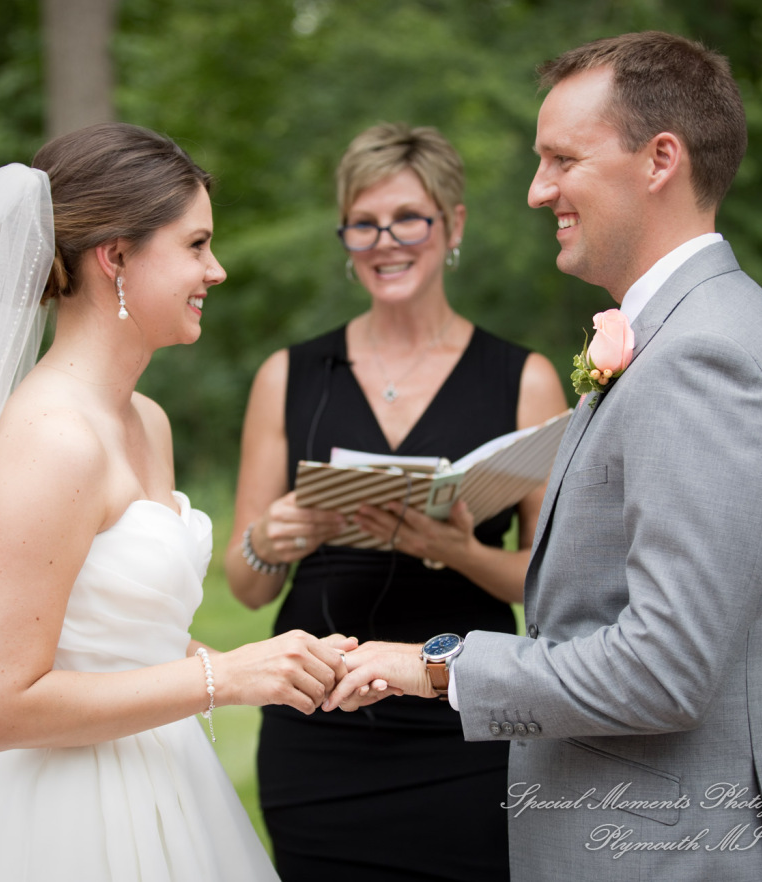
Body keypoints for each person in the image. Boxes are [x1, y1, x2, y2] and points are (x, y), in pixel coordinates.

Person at [327, 32, 762, 882]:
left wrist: (433, 666)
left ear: (660, 159)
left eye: (562, 159)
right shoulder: (688, 332)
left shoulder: (708, 359)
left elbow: (663, 669)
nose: (536, 191)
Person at [0, 122, 354, 882]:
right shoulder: (54, 440)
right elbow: (0, 707)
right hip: (65, 819)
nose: (215, 271)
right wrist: (226, 679)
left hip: (168, 781)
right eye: (195, 245)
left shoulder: (145, 421)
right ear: (115, 256)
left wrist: (275, 667)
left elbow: (123, 644)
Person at [224, 122, 566, 881]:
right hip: (316, 734)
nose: (385, 241)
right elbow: (246, 590)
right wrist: (268, 541)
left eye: (408, 218)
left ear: (453, 226)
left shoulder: (526, 380)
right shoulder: (290, 374)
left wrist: (457, 551)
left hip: (464, 729)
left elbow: (552, 591)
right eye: (363, 223)